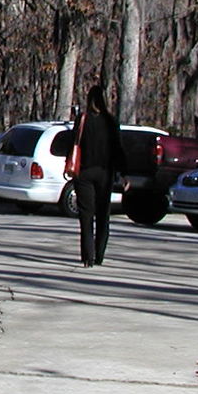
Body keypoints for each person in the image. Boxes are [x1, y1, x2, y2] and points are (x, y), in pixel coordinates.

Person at [71, 83, 126, 267]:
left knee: (86, 216)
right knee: (103, 214)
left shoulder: (82, 120)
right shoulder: (111, 121)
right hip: (105, 172)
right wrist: (124, 174)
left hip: (84, 172)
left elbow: (73, 143)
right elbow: (118, 149)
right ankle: (100, 254)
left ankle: (88, 256)